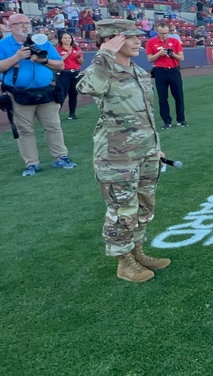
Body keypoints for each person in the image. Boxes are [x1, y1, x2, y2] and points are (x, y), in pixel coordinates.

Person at [77, 19, 171, 283]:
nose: (138, 41)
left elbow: (147, 116)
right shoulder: (103, 73)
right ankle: (124, 262)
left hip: (146, 152)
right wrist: (103, 56)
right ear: (113, 41)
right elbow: (86, 88)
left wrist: (156, 147)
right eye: (131, 37)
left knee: (144, 206)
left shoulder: (139, 72)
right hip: (117, 157)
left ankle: (138, 252)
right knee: (122, 211)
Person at [0, 13, 78, 176]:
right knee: (24, 130)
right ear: (11, 26)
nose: (25, 26)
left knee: (54, 127)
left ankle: (61, 157)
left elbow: (60, 64)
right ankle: (31, 164)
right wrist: (17, 57)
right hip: (19, 95)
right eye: (20, 23)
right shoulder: (0, 46)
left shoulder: (42, 43)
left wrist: (44, 61)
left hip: (46, 92)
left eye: (27, 23)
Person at [146, 19, 186, 128]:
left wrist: (172, 54)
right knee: (163, 98)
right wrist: (160, 53)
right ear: (157, 31)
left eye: (166, 33)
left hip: (174, 70)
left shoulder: (175, 41)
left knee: (179, 96)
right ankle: (166, 121)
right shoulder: (151, 42)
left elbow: (181, 57)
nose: (164, 35)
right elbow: (150, 59)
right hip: (160, 71)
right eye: (162, 33)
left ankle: (181, 119)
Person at [55, 31, 84, 119]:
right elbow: (58, 61)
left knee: (73, 94)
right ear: (60, 39)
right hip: (63, 73)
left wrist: (78, 56)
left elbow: (81, 62)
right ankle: (55, 115)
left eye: (69, 38)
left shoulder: (76, 48)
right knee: (61, 95)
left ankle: (72, 114)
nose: (67, 39)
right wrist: (68, 53)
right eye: (65, 38)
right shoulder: (57, 49)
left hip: (75, 72)